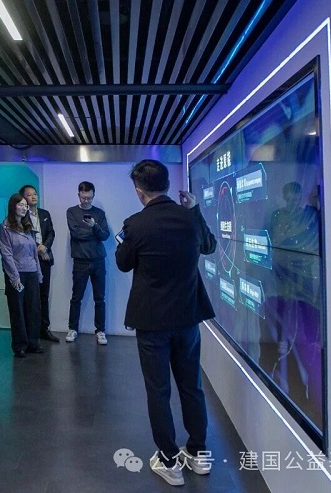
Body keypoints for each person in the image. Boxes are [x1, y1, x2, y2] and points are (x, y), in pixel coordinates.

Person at [115, 160, 216, 487]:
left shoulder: (135, 224)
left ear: (139, 191)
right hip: (187, 319)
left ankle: (170, 461)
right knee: (191, 386)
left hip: (152, 323)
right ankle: (199, 454)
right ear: (168, 185)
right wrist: (195, 210)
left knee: (158, 391)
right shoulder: (189, 219)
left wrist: (124, 242)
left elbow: (123, 264)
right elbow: (210, 246)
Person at [0, 194, 44, 358]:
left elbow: (34, 253)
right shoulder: (5, 227)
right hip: (16, 274)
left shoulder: (28, 226)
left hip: (31, 272)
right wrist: (14, 276)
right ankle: (20, 345)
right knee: (17, 310)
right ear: (13, 206)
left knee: (33, 309)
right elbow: (6, 254)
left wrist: (39, 273)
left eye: (26, 205)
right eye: (21, 205)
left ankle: (33, 343)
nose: (24, 208)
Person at [66, 181, 110, 345]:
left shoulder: (99, 213)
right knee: (76, 297)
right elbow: (75, 233)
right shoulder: (72, 212)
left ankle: (100, 331)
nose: (86, 201)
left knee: (100, 298)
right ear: (78, 195)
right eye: (83, 197)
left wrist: (94, 226)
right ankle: (73, 328)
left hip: (98, 260)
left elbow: (105, 235)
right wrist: (94, 231)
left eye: (89, 198)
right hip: (80, 261)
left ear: (93, 196)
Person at [20, 184, 58, 342]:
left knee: (44, 295)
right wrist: (39, 249)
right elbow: (24, 237)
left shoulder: (44, 213)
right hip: (30, 261)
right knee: (31, 297)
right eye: (29, 195)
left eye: (34, 194)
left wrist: (45, 247)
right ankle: (32, 331)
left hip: (45, 259)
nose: (33, 196)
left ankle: (44, 329)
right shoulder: (22, 216)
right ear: (23, 198)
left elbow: (51, 232)